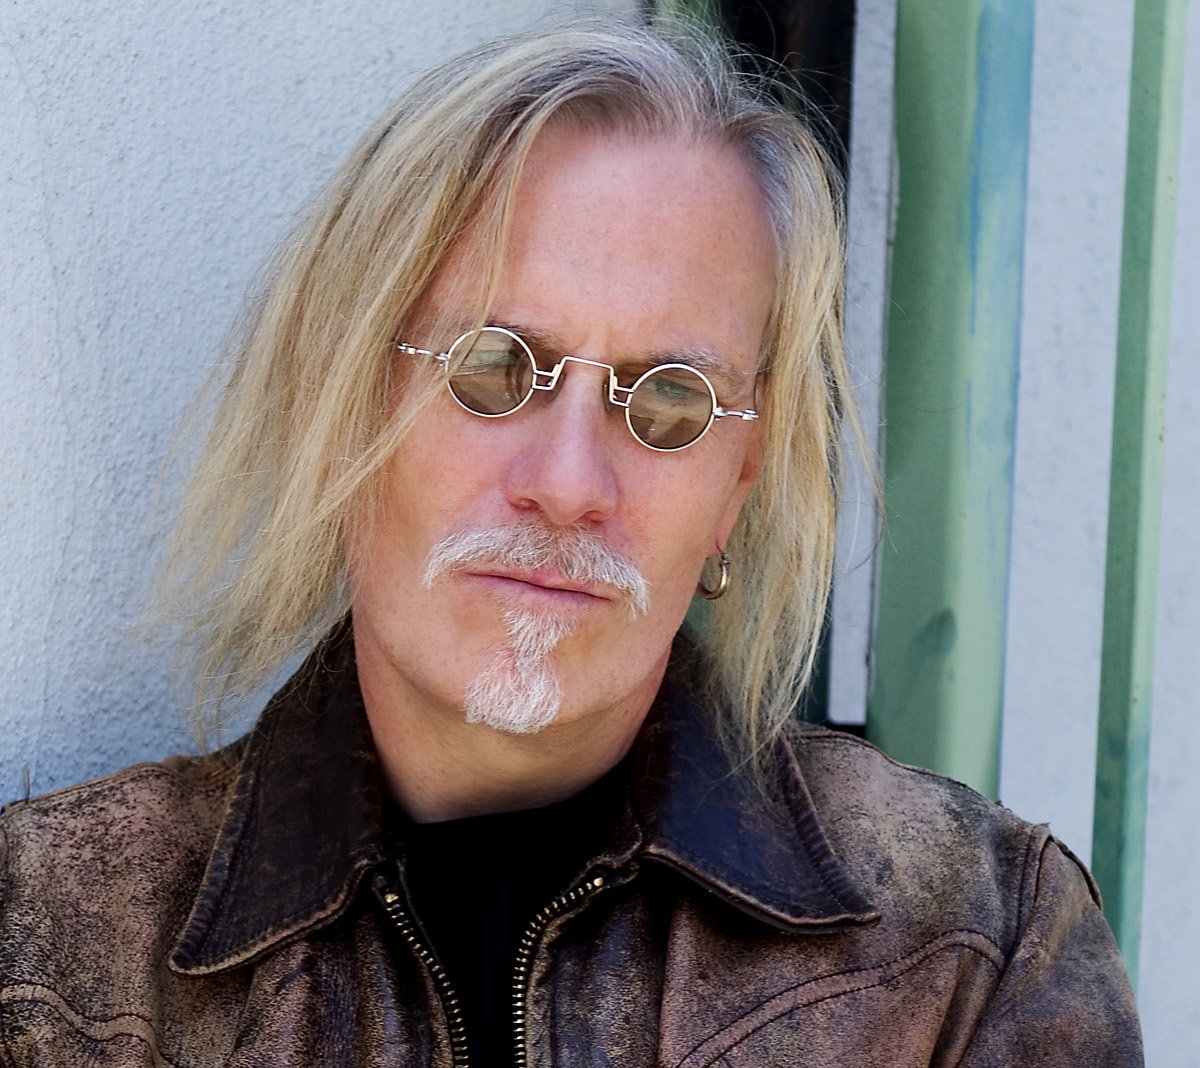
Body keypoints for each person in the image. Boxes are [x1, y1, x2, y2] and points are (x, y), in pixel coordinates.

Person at [0, 23, 1141, 1068]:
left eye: (670, 401)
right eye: (492, 369)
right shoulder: (56, 945)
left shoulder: (973, 945)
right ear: (341, 406)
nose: (567, 485)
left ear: (736, 486)